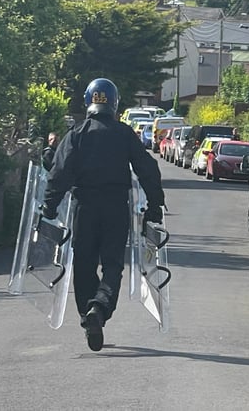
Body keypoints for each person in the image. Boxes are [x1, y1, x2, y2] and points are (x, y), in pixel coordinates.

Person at [41, 77, 165, 352]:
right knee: (112, 265)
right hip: (115, 209)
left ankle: (88, 313)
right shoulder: (124, 134)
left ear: (88, 102)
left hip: (84, 208)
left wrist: (49, 207)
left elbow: (58, 174)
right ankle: (100, 308)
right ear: (115, 103)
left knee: (84, 265)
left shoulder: (77, 134)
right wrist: (155, 204)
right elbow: (148, 169)